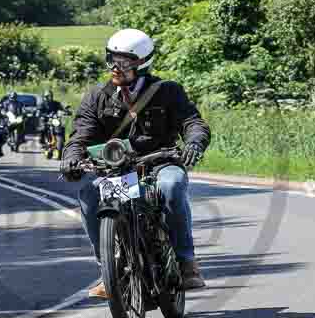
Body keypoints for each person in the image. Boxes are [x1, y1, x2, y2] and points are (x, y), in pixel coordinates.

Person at [59, 28, 210, 299]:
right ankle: (109, 268)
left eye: (125, 62)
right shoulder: (97, 96)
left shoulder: (167, 92)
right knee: (90, 193)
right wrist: (71, 157)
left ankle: (187, 263)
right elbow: (81, 134)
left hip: (160, 163)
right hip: (120, 172)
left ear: (142, 63)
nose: (116, 67)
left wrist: (194, 143)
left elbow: (192, 122)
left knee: (173, 185)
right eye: (112, 59)